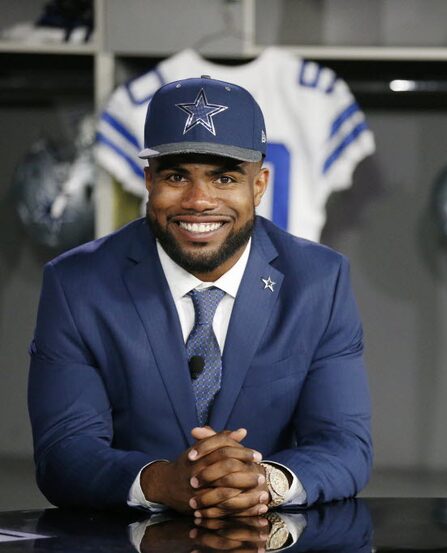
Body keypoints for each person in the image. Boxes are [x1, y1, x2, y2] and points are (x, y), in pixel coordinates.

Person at [27, 75, 373, 518]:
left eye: (224, 178)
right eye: (176, 176)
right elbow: (63, 452)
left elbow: (344, 444)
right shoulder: (77, 284)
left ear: (259, 184)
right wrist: (160, 482)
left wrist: (264, 480)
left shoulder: (320, 281)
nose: (198, 200)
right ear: (148, 180)